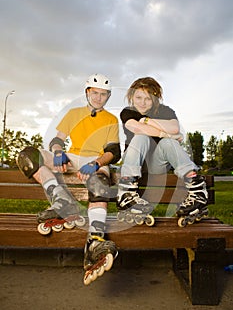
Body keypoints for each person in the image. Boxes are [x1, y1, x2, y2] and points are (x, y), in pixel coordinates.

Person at [17, 73, 121, 284]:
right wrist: (57, 151)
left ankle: (95, 241)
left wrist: (96, 163)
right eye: (95, 93)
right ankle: (62, 202)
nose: (98, 98)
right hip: (73, 156)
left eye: (103, 94)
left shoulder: (111, 119)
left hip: (96, 159)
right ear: (87, 92)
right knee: (28, 156)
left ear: (108, 96)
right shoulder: (74, 113)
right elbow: (57, 139)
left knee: (100, 184)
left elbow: (113, 150)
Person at [116, 77, 208, 225]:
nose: (142, 102)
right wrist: (164, 132)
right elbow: (136, 128)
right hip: (134, 161)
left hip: (156, 164)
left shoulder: (165, 111)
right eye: (138, 97)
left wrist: (147, 120)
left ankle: (197, 191)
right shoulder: (128, 112)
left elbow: (175, 128)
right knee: (141, 137)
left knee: (168, 142)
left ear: (155, 99)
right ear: (132, 97)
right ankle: (126, 194)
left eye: (148, 98)